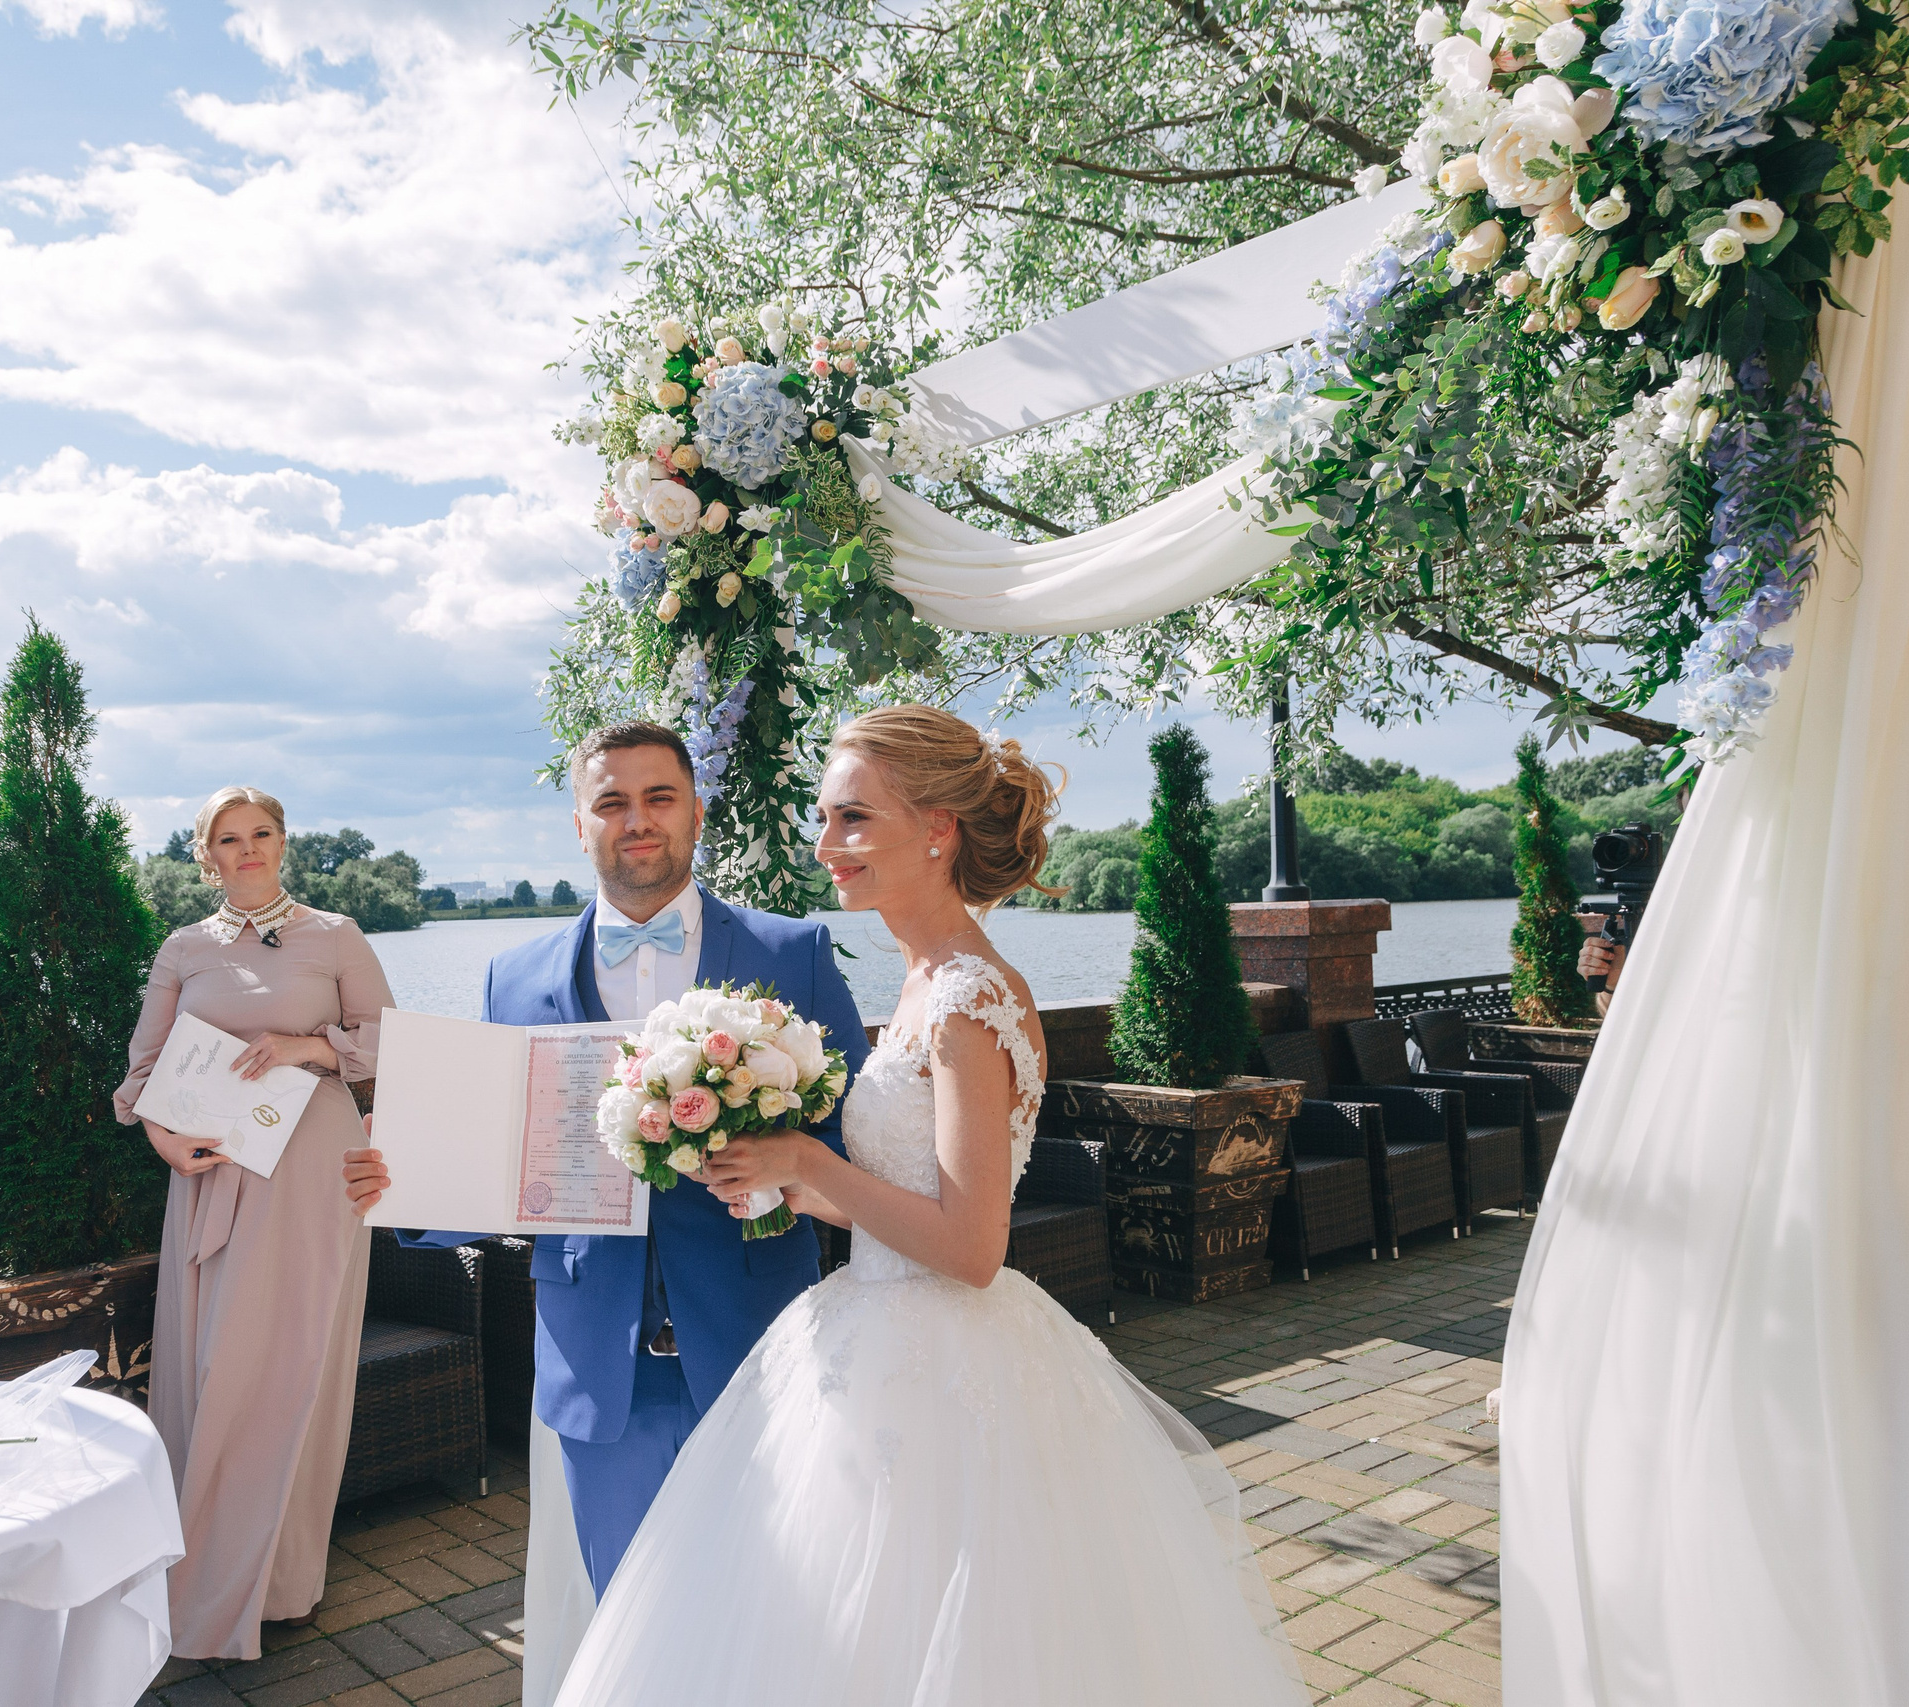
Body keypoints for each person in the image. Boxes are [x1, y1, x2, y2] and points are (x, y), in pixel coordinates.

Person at [550, 707, 1306, 1707]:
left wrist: (807, 1162)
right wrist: (783, 1181)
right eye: (826, 818)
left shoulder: (966, 1000)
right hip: (867, 1328)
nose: (827, 844)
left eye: (854, 818)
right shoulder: (921, 983)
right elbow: (904, 1199)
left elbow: (973, 1244)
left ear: (938, 828)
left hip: (942, 1367)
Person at [340, 720, 870, 1694]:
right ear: (579, 824)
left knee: (775, 1622)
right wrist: (406, 1187)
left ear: (695, 811)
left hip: (757, 1351)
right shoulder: (513, 977)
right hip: (598, 1370)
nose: (637, 820)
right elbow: (506, 1162)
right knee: (634, 1627)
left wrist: (783, 1167)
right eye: (612, 802)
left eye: (659, 797)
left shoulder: (789, 954)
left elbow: (859, 1148)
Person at [113, 784, 394, 1661]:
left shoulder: (336, 934)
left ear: (282, 841)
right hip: (214, 1175)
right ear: (207, 855)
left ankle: (281, 1581)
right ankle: (200, 1573)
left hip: (315, 1173)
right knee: (216, 1364)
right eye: (228, 838)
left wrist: (308, 1047)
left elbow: (390, 1042)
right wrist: (164, 1139)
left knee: (295, 1366)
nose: (247, 849)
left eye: (261, 832)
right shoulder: (183, 947)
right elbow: (142, 1072)